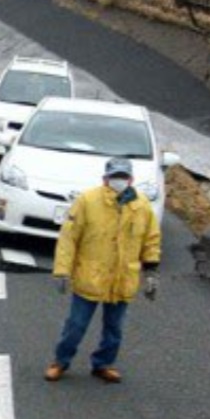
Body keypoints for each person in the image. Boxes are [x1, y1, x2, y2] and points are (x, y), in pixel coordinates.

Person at [44, 157, 161, 384]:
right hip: (91, 276)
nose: (118, 181)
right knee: (76, 325)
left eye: (123, 177)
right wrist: (62, 270)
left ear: (131, 179)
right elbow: (69, 237)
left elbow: (151, 240)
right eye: (114, 177)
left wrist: (152, 271)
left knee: (114, 328)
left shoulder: (142, 206)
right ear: (105, 179)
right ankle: (60, 361)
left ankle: (103, 364)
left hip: (122, 278)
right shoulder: (87, 201)